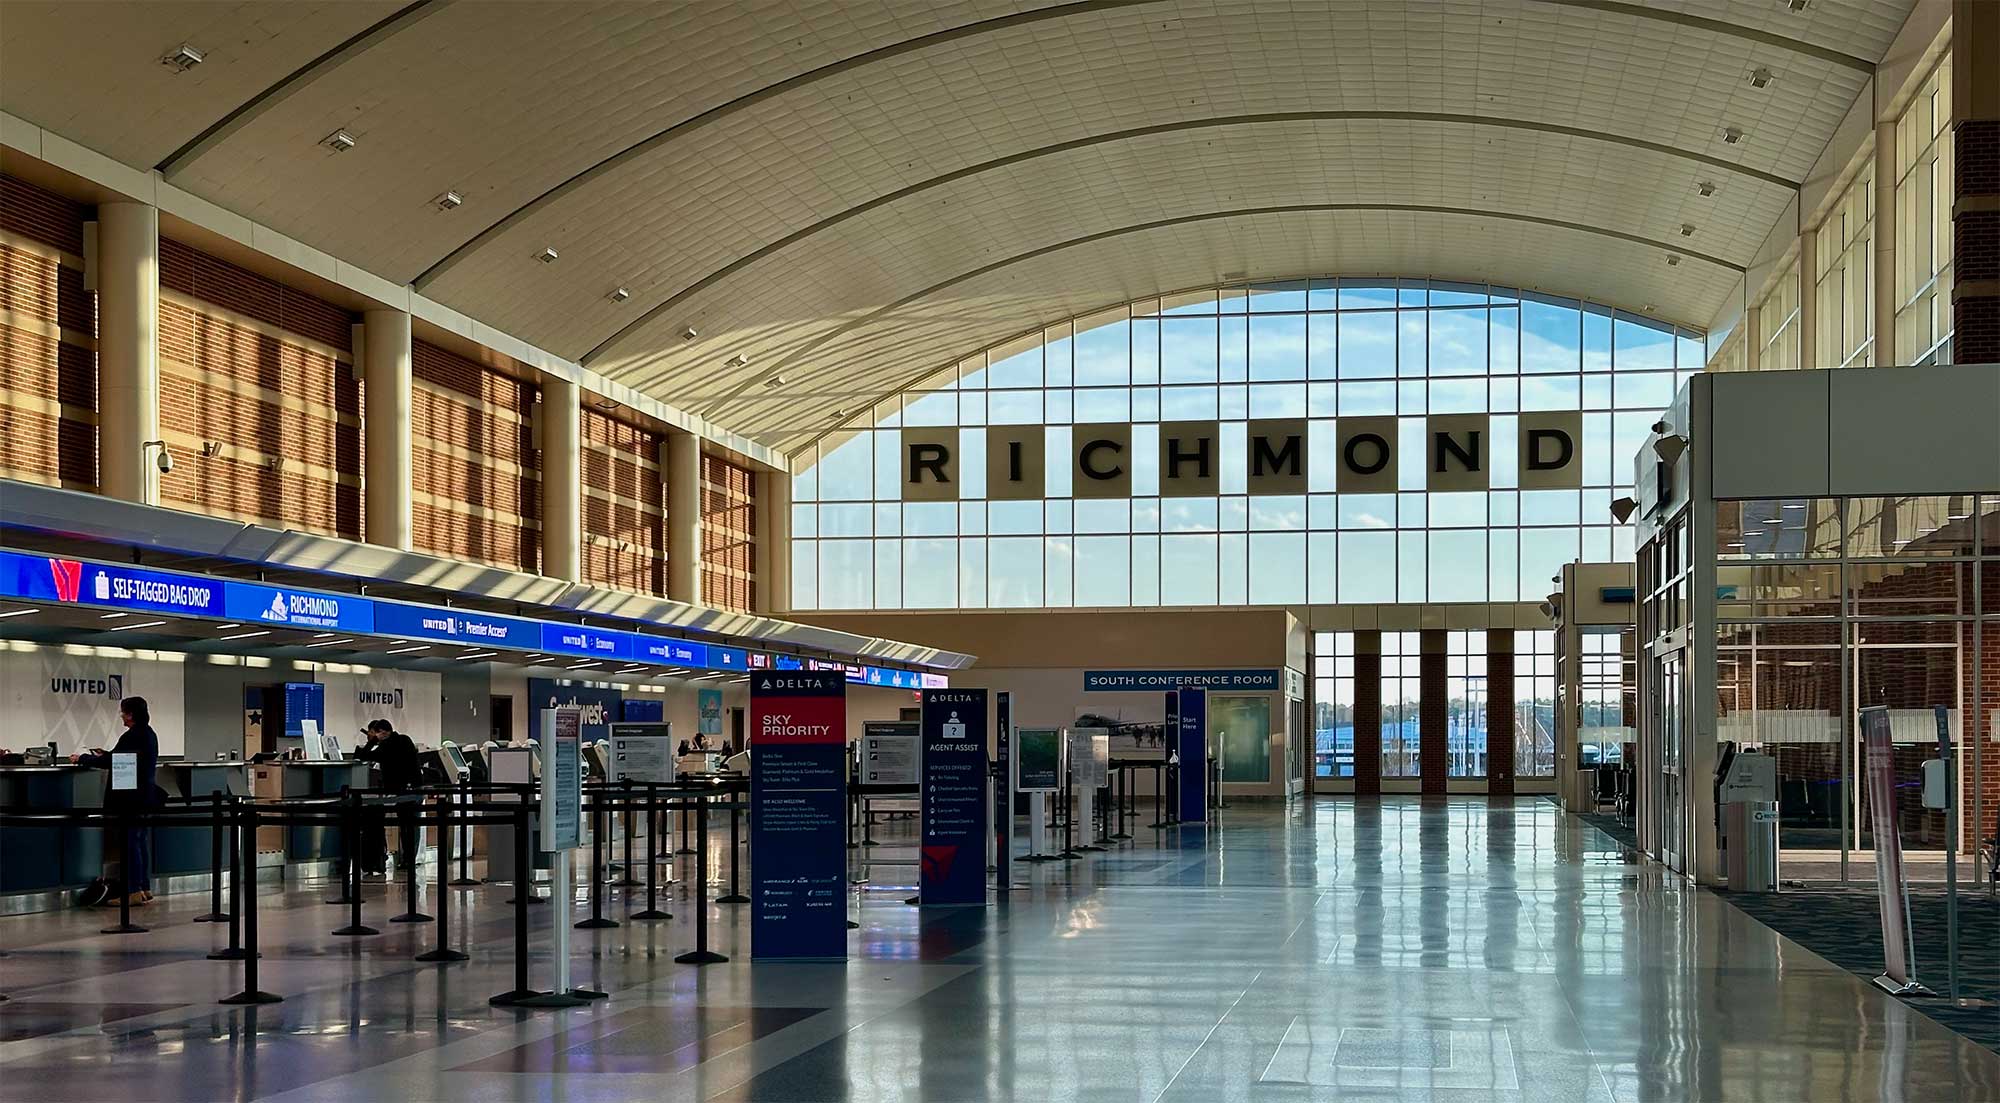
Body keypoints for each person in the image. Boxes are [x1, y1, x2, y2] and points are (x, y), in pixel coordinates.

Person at [73, 696, 165, 906]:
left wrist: (83, 759)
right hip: (145, 796)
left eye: (123, 712)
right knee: (140, 842)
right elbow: (122, 758)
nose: (121, 716)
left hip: (131, 798)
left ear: (130, 714)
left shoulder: (132, 735)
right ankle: (143, 887)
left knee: (131, 842)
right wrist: (107, 754)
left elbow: (114, 761)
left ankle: (132, 891)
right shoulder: (148, 734)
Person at [353, 719, 421, 875]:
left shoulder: (387, 746)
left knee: (406, 825)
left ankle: (406, 859)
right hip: (413, 788)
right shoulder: (405, 740)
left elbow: (363, 756)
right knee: (409, 826)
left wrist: (372, 741)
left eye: (376, 733)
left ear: (382, 732)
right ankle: (408, 860)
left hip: (402, 790)